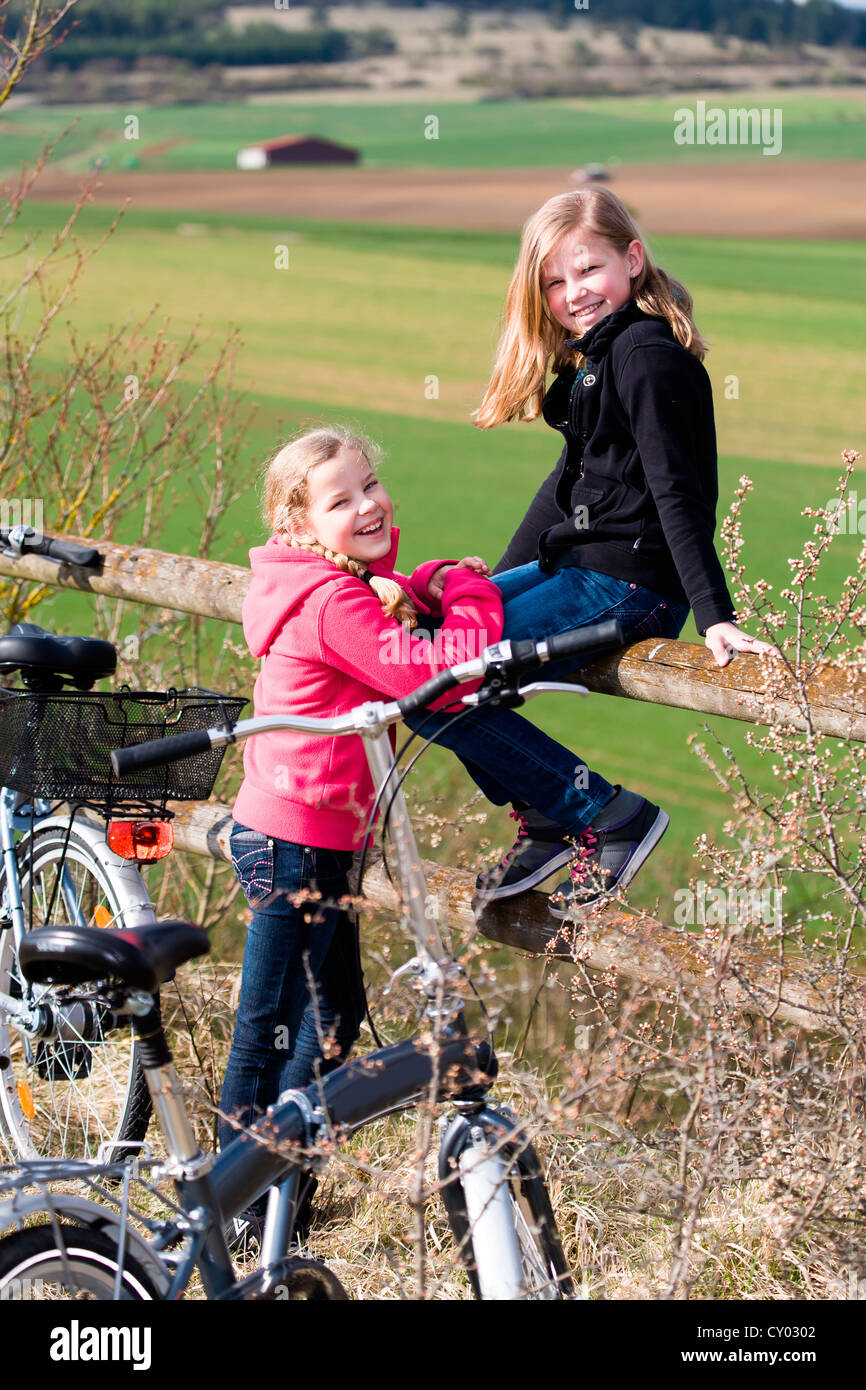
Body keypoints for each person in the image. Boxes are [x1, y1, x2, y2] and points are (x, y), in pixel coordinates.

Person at [403, 186, 776, 920]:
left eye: (589, 270)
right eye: (555, 280)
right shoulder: (592, 360)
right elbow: (568, 480)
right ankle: (547, 817)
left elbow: (677, 492)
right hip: (578, 571)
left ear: (632, 259)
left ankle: (604, 814)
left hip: (629, 587)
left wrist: (715, 617)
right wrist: (489, 582)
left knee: (434, 677)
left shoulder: (644, 357)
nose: (575, 293)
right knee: (414, 651)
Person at [220, 423, 505, 1167]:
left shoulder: (329, 583)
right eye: (341, 499)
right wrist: (469, 590)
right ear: (297, 524)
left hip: (312, 836)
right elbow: (439, 677)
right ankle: (235, 1204)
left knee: (332, 1016)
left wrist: (423, 581)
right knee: (273, 1022)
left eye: (370, 485)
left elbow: (378, 608)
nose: (370, 504)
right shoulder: (328, 602)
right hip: (294, 842)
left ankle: (280, 1186)